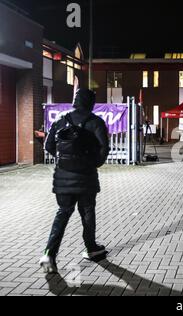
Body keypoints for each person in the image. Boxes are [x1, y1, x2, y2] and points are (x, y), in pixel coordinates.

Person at [39, 89, 110, 274]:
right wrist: (92, 163)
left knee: (62, 213)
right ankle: (91, 248)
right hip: (86, 178)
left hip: (63, 178)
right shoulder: (96, 122)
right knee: (87, 212)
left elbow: (48, 145)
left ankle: (49, 254)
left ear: (75, 101)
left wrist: (65, 161)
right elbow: (104, 148)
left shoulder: (61, 120)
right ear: (91, 103)